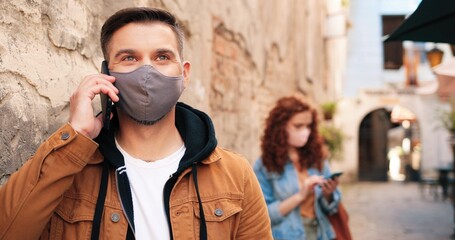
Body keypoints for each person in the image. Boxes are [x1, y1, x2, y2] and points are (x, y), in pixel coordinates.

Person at [0, 7, 272, 240]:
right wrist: (77, 135)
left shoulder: (236, 175)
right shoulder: (71, 168)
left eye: (162, 57)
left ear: (184, 74)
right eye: (129, 58)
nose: (146, 71)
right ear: (107, 73)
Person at [253, 96, 341, 240]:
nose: (305, 132)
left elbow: (332, 207)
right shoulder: (264, 165)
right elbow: (262, 214)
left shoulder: (317, 158)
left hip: (321, 233)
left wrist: (328, 194)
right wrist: (301, 195)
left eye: (308, 126)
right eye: (298, 126)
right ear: (280, 127)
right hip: (286, 235)